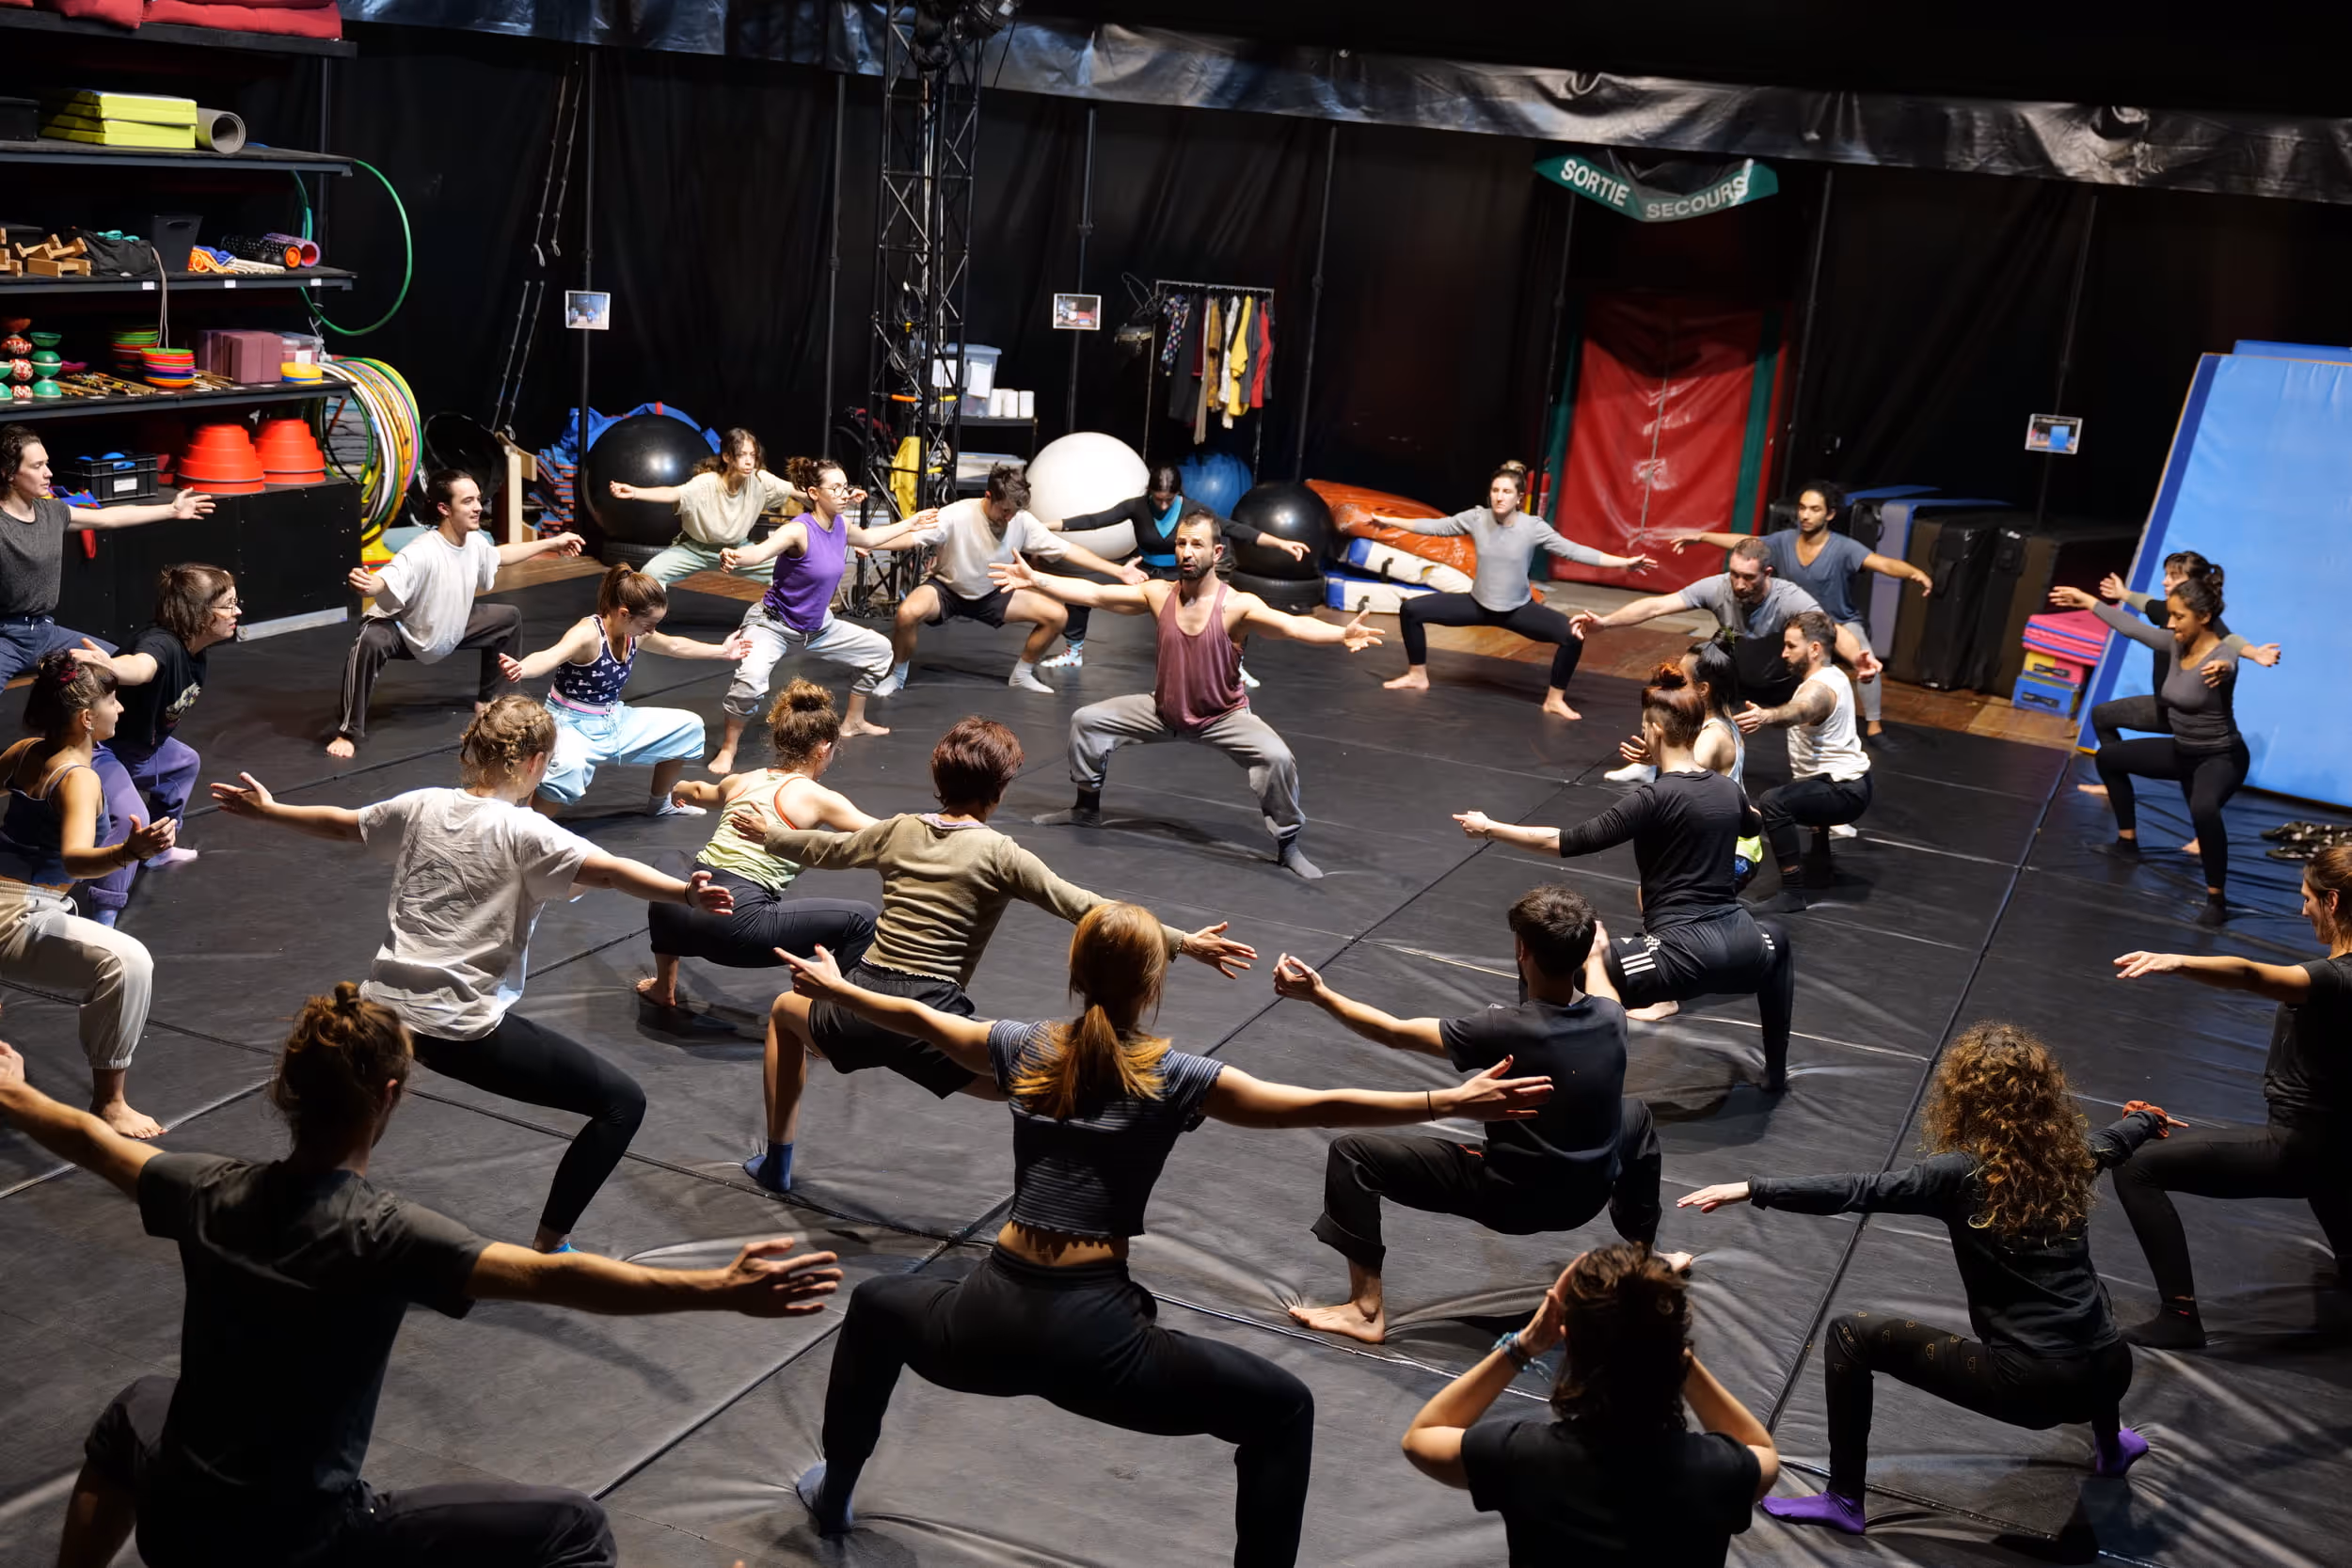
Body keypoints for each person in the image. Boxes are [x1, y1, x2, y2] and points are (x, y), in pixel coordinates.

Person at [777, 901, 1554, 1566]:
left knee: (878, 1306)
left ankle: (835, 1487)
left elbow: (918, 1018)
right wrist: (1445, 1101)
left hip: (986, 1318)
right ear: (1153, 985)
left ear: (1076, 974)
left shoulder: (1021, 1045)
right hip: (1097, 1342)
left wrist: (840, 988)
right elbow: (1312, 1104)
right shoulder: (1176, 1074)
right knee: (1283, 1410)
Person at [0, 988, 841, 1568]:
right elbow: (560, 1280)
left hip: (180, 1526)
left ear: (286, 1089)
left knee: (132, 1412)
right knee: (573, 1529)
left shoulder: (200, 1187)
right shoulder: (391, 1235)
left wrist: (11, 1091)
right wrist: (716, 1287)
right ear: (392, 1096)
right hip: (305, 1545)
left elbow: (88, 1138)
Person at [209, 696, 737, 1252]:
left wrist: (269, 811)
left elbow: (347, 826)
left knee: (348, 1114)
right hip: (458, 1028)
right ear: (536, 762)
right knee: (622, 1103)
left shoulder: (424, 805)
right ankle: (548, 1249)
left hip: (381, 1013)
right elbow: (609, 872)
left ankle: (292, 1198)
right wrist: (684, 892)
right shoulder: (528, 832)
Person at [1678, 1023, 2175, 1533]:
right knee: (2088, 1303)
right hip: (2113, 1370)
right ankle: (2111, 1449)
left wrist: (1752, 1187)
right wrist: (2148, 1119)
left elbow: (1858, 1189)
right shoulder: (2071, 1155)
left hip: (2032, 1385)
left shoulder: (1959, 1172)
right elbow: (2118, 1138)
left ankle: (1844, 1500)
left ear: (1963, 1096)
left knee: (1850, 1335)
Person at [733, 716, 1255, 1194]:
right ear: (1000, 790)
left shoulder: (898, 830)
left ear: (939, 779)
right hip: (931, 1021)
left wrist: (770, 833)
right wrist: (1184, 941)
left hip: (860, 1004)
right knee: (1039, 1084)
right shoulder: (1001, 853)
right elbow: (1088, 908)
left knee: (784, 1014)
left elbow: (825, 849)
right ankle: (1146, 1096)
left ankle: (778, 1162)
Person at [1272, 885, 1663, 1343]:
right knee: (1636, 1115)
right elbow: (1601, 985)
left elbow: (1394, 1033)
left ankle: (1365, 1309)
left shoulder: (1499, 1029)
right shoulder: (1612, 1015)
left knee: (1352, 1155)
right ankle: (1644, 1259)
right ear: (1581, 953)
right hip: (1588, 1194)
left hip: (1511, 1198)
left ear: (1522, 951)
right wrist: (1596, 955)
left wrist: (1319, 994)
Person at [1455, 666, 1796, 1088]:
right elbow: (1752, 825)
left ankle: (1530, 1074)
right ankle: (1776, 1074)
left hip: (1680, 957)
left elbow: (1565, 841)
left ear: (1654, 731)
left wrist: (1490, 828)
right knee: (1778, 941)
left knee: (1553, 957)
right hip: (1744, 948)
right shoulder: (1727, 790)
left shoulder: (1653, 798)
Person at [994, 514, 1382, 880]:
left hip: (1223, 717)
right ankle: (1086, 809)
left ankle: (1288, 845)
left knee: (1277, 757)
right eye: (1181, 543)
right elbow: (1095, 593)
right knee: (1088, 721)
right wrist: (1037, 579)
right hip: (1163, 710)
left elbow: (1293, 626)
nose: (1186, 552)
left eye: (1197, 544)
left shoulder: (1237, 606)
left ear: (1216, 553)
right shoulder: (1158, 594)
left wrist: (1341, 634)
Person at [2106, 845, 2352, 1348]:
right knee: (2330, 1175)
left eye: (2307, 898)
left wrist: (2178, 962)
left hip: (2304, 1146)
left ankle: (2179, 1317)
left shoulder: (2332, 980)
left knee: (2138, 1168)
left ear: (2332, 902)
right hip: (2343, 1146)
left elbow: (2250, 975)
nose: (2301, 908)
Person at [1399, 1243, 1776, 1568]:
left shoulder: (1525, 1456)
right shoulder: (1717, 1468)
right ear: (1676, 1342)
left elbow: (1421, 1438)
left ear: (1568, 1340)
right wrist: (1670, 1349)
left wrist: (1523, 1346)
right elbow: (1762, 1453)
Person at [638, 680, 880, 1016]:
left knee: (670, 860)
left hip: (682, 911)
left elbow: (697, 790)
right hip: (735, 928)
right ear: (824, 747)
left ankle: (664, 988)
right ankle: (821, 1022)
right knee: (862, 919)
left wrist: (677, 787)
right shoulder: (819, 797)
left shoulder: (742, 780)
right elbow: (883, 833)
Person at [0, 653, 168, 1136]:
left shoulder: (25, 750)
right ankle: (111, 1103)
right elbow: (76, 860)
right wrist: (128, 851)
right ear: (86, 718)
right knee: (129, 962)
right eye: (113, 699)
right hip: (14, 913)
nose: (121, 709)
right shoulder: (80, 778)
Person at [1366, 465, 1656, 721]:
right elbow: (1434, 527)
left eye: (1507, 491)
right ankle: (1417, 676)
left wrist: (1624, 563)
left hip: (1518, 611)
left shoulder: (1533, 528)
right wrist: (1390, 521)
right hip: (1476, 604)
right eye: (1495, 490)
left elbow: (1574, 550)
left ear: (1519, 498)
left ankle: (1554, 700)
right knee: (1412, 610)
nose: (1499, 496)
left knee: (1572, 636)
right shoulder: (1476, 518)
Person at [330, 468, 583, 760]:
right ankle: (347, 731)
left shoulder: (474, 542)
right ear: (444, 509)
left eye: (478, 499)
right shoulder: (422, 551)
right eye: (468, 501)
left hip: (450, 627)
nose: (478, 507)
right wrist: (370, 584)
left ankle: (491, 701)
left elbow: (500, 556)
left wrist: (552, 542)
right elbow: (388, 577)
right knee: (370, 640)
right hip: (407, 630)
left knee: (506, 619)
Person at [2050, 577, 2244, 926]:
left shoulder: (2221, 655)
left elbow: (2229, 660)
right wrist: (2086, 599)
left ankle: (2217, 900)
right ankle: (2127, 844)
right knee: (2108, 758)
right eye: (2169, 615)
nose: (2170, 624)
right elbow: (2131, 627)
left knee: (2203, 807)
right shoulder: (2174, 643)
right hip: (2182, 751)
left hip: (2220, 757)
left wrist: (2224, 669)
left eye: (2178, 617)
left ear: (2203, 616)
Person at [1671, 483, 1932, 737]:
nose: (1805, 515)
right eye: (1802, 507)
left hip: (1836, 620)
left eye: (1815, 509)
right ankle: (1726, 694)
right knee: (1734, 634)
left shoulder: (1844, 548)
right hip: (1795, 618)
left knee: (1861, 656)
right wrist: (1703, 537)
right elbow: (1745, 542)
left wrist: (1914, 573)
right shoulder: (1783, 541)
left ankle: (1873, 723)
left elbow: (1883, 563)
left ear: (1829, 514)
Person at [705, 454, 908, 769]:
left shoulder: (841, 525)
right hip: (773, 624)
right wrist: (736, 556)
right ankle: (728, 748)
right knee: (751, 680)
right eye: (836, 488)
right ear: (815, 493)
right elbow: (760, 552)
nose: (844, 494)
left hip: (819, 627)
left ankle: (853, 722)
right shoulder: (798, 530)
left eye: (846, 487)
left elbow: (870, 538)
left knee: (880, 651)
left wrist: (914, 522)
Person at [501, 562, 751, 817]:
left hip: (611, 720)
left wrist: (722, 651)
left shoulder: (635, 633)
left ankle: (660, 803)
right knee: (568, 766)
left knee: (688, 727)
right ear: (624, 614)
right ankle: (529, 827)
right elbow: (550, 656)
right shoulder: (588, 634)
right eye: (648, 624)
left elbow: (674, 646)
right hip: (570, 723)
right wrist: (522, 667)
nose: (651, 631)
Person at [874, 464, 1144, 696]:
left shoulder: (1021, 520)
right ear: (988, 496)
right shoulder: (957, 514)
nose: (1009, 517)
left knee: (1057, 616)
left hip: (996, 590)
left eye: (1014, 511)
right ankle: (897, 675)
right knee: (907, 612)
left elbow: (1068, 549)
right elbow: (911, 538)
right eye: (1004, 510)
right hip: (947, 588)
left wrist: (1117, 571)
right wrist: (873, 542)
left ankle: (1022, 674)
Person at [2079, 552, 2279, 860]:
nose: (2165, 581)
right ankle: (2114, 784)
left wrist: (2254, 654)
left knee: (2194, 778)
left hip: (2189, 714)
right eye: (2166, 575)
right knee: (2103, 716)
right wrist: (2121, 595)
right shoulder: (2171, 611)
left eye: (2173, 577)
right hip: (2166, 703)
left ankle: (2202, 835)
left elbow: (2230, 645)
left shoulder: (2202, 620)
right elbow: (2144, 608)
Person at [75, 564, 238, 925]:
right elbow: (142, 667)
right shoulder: (162, 643)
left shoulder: (195, 648)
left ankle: (158, 851)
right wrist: (113, 669)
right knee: (132, 819)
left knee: (183, 764)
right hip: (102, 750)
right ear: (198, 613)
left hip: (142, 749)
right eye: (228, 605)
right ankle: (104, 912)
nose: (237, 612)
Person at [1044, 462, 1310, 671]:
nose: (1162, 504)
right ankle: (1073, 652)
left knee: (1231, 610)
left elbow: (1231, 528)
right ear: (1149, 491)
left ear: (1177, 493)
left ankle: (1233, 665)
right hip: (1142, 575)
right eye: (1157, 498)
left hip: (1181, 577)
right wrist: (1046, 526)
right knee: (1083, 593)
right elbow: (1095, 520)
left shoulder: (1194, 511)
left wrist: (1280, 543)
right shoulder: (1136, 507)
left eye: (1167, 499)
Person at [1, 424, 214, 684]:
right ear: (8, 473)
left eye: (47, 463)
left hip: (45, 633)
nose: (48, 473)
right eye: (36, 466)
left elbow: (107, 518)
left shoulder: (52, 512)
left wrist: (171, 510)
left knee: (119, 667)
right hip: (5, 639)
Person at [1570, 537, 1878, 710]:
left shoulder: (1788, 597)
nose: (1739, 584)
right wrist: (1606, 622)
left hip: (1777, 681)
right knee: (1676, 685)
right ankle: (1649, 764)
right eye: (1734, 574)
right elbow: (1658, 605)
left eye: (1748, 577)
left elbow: (1831, 630)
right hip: (1735, 671)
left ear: (1767, 573)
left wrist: (1858, 659)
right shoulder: (1718, 587)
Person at [1734, 610, 1872, 913]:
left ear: (1814, 649)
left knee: (1774, 802)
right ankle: (1821, 866)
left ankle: (1793, 894)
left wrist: (1765, 715)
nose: (1784, 653)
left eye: (1790, 646)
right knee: (1807, 786)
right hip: (1847, 785)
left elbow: (1800, 710)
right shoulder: (1835, 675)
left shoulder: (1819, 689)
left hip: (1845, 792)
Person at [610, 425, 807, 586]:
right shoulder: (706, 483)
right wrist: (635, 491)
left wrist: (823, 500)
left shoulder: (760, 480)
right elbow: (673, 493)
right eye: (742, 455)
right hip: (696, 549)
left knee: (787, 572)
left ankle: (789, 618)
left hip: (738, 550)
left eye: (752, 455)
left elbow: (796, 491)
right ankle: (645, 624)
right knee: (651, 573)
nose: (749, 461)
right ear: (727, 457)